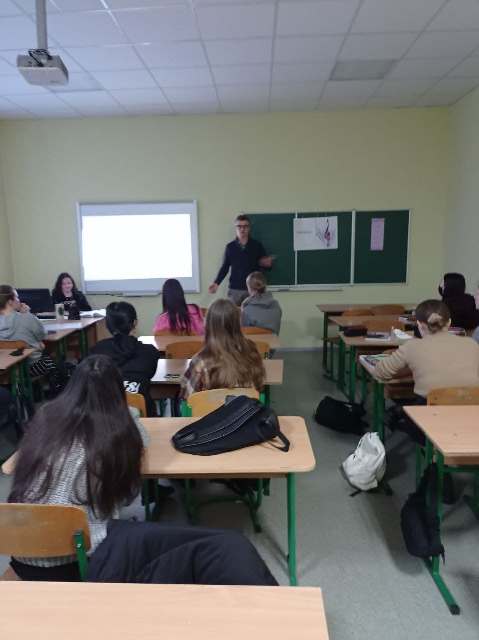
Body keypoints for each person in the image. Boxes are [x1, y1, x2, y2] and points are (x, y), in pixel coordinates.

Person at [8, 354, 277, 586]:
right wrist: (127, 413)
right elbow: (128, 495)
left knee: (220, 546)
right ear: (118, 392)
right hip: (82, 561)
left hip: (25, 556)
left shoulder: (45, 418)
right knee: (226, 545)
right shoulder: (116, 432)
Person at [375, 299, 479, 442]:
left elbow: (380, 373)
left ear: (419, 324)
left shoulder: (412, 347)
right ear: (449, 323)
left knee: (396, 413)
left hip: (430, 421)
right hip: (470, 416)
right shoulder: (471, 344)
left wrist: (409, 369)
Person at [181, 298, 265, 399]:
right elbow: (259, 386)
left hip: (210, 409)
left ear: (208, 325)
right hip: (246, 408)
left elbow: (187, 397)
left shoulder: (200, 361)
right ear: (237, 323)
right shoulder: (251, 350)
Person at [91, 302, 160, 416]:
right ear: (135, 323)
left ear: (108, 325)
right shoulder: (150, 352)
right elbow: (150, 374)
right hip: (142, 416)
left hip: (104, 416)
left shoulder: (96, 351)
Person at [0, 285, 62, 393]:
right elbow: (42, 335)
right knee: (52, 359)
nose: (19, 300)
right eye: (17, 297)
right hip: (29, 368)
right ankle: (51, 390)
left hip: (6, 370)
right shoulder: (26, 317)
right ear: (10, 302)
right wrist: (28, 314)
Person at [208, 215, 273, 306]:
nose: (242, 229)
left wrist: (268, 265)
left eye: (245, 226)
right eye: (239, 226)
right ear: (236, 228)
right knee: (232, 314)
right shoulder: (230, 247)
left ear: (249, 228)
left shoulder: (257, 245)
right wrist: (216, 283)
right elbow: (225, 267)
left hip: (253, 290)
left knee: (253, 314)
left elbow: (265, 266)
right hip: (235, 290)